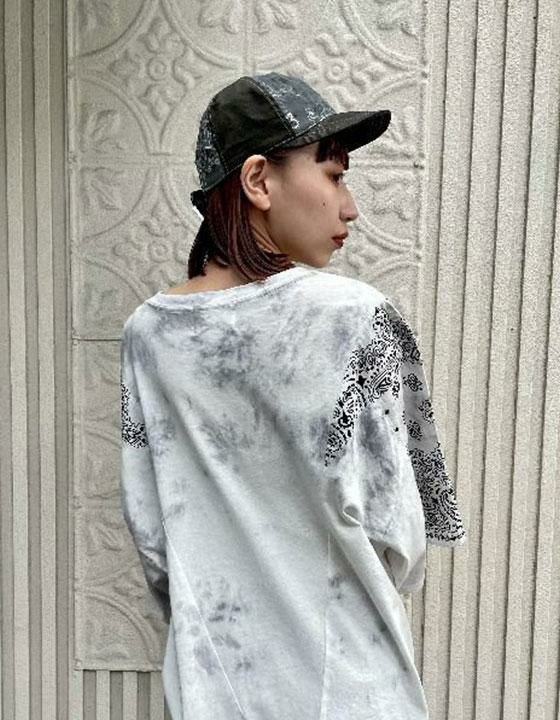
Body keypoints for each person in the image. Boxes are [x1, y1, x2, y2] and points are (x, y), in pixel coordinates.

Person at [119, 72, 466, 720]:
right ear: (258, 180)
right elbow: (401, 534)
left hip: (215, 689)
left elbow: (153, 539)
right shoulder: (357, 320)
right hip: (351, 690)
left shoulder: (148, 335)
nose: (350, 207)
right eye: (334, 175)